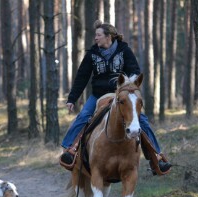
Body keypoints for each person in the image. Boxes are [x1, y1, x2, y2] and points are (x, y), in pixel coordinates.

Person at [60, 20, 171, 175]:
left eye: (99, 35)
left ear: (108, 37)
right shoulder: (92, 54)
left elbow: (134, 70)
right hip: (98, 95)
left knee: (142, 121)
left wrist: (129, 83)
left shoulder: (124, 50)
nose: (96, 38)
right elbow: (82, 77)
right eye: (96, 35)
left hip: (120, 94)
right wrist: (72, 98)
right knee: (84, 115)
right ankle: (69, 151)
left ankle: (157, 158)